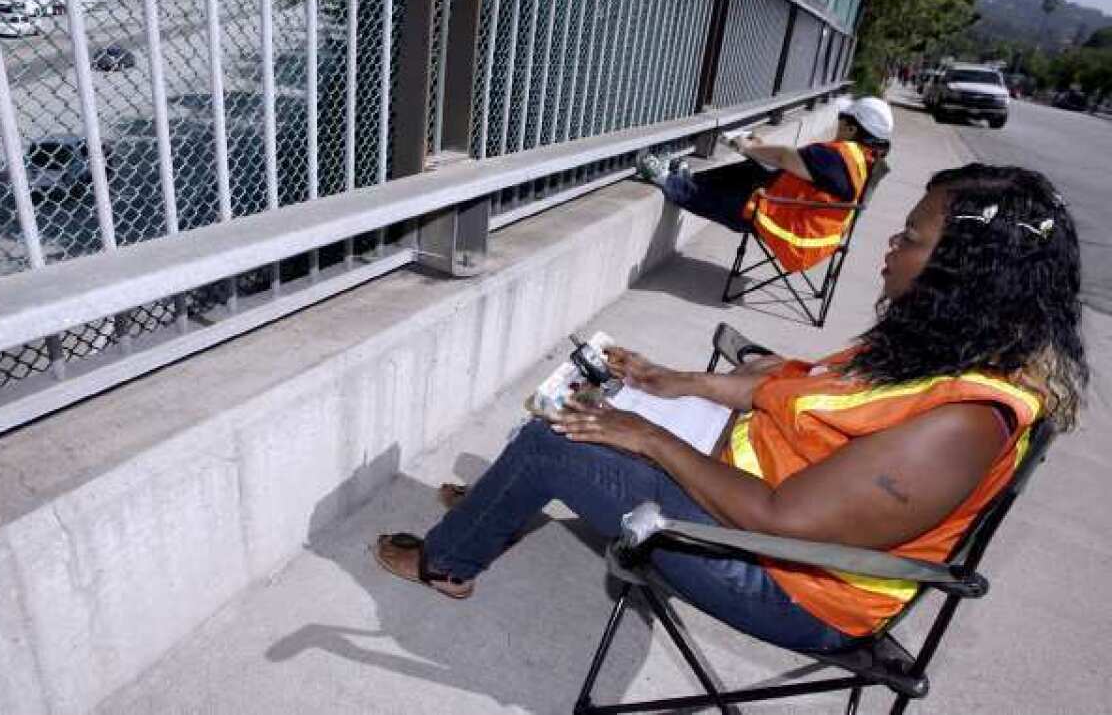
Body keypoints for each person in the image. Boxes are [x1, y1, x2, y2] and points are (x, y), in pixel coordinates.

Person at [374, 164, 1086, 652]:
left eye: (911, 239)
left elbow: (782, 522)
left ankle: (448, 561)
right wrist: (671, 382)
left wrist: (651, 440)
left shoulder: (961, 424)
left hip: (790, 581)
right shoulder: (940, 343)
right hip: (762, 491)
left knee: (559, 438)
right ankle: (499, 505)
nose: (889, 250)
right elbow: (793, 389)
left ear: (963, 274)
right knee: (599, 392)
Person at [646, 97, 894, 273]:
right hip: (811, 228)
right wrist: (757, 149)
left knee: (743, 201)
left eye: (842, 118)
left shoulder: (840, 157)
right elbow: (795, 164)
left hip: (796, 233)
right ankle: (686, 179)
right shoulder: (866, 160)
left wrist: (747, 146)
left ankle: (668, 181)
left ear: (852, 128)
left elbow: (785, 158)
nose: (838, 123)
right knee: (756, 170)